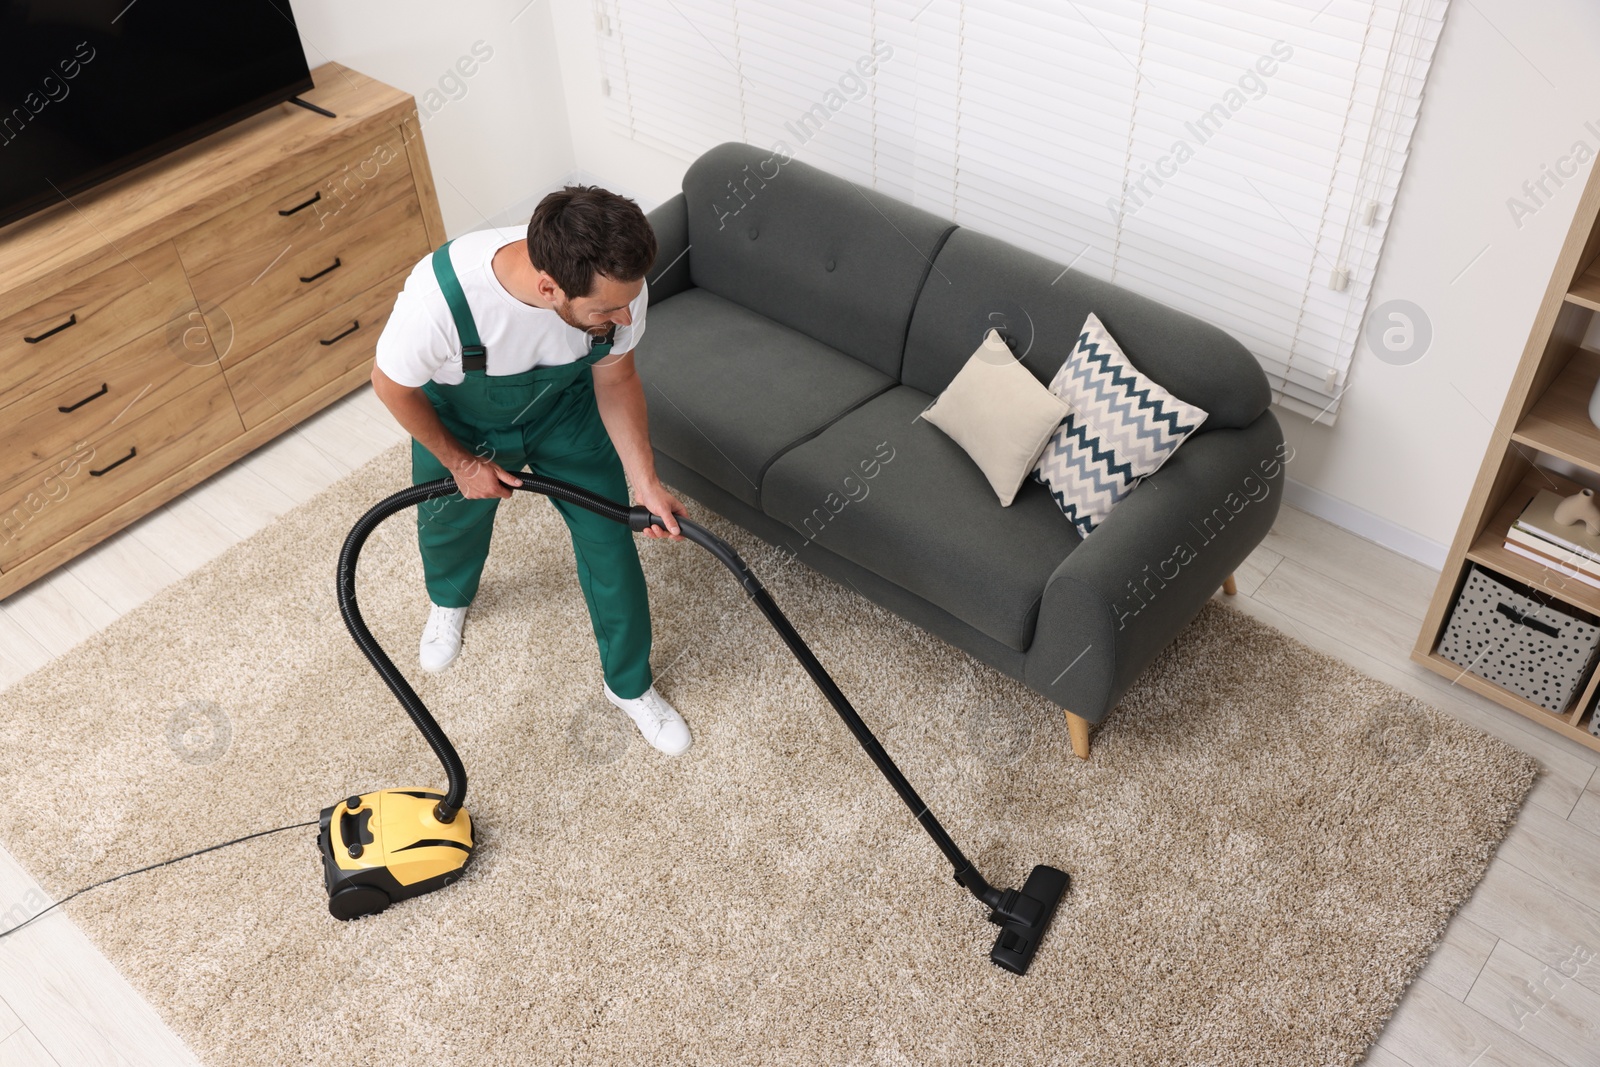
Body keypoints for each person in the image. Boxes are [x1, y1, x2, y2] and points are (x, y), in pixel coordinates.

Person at [370, 186, 693, 756]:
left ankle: (629, 685)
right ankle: (450, 600)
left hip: (563, 414)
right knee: (448, 523)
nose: (625, 316)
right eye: (606, 311)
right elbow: (391, 384)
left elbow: (616, 379)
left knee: (610, 543)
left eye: (629, 302)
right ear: (549, 289)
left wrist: (645, 482)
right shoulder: (443, 299)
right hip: (462, 421)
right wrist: (462, 464)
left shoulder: (620, 288)